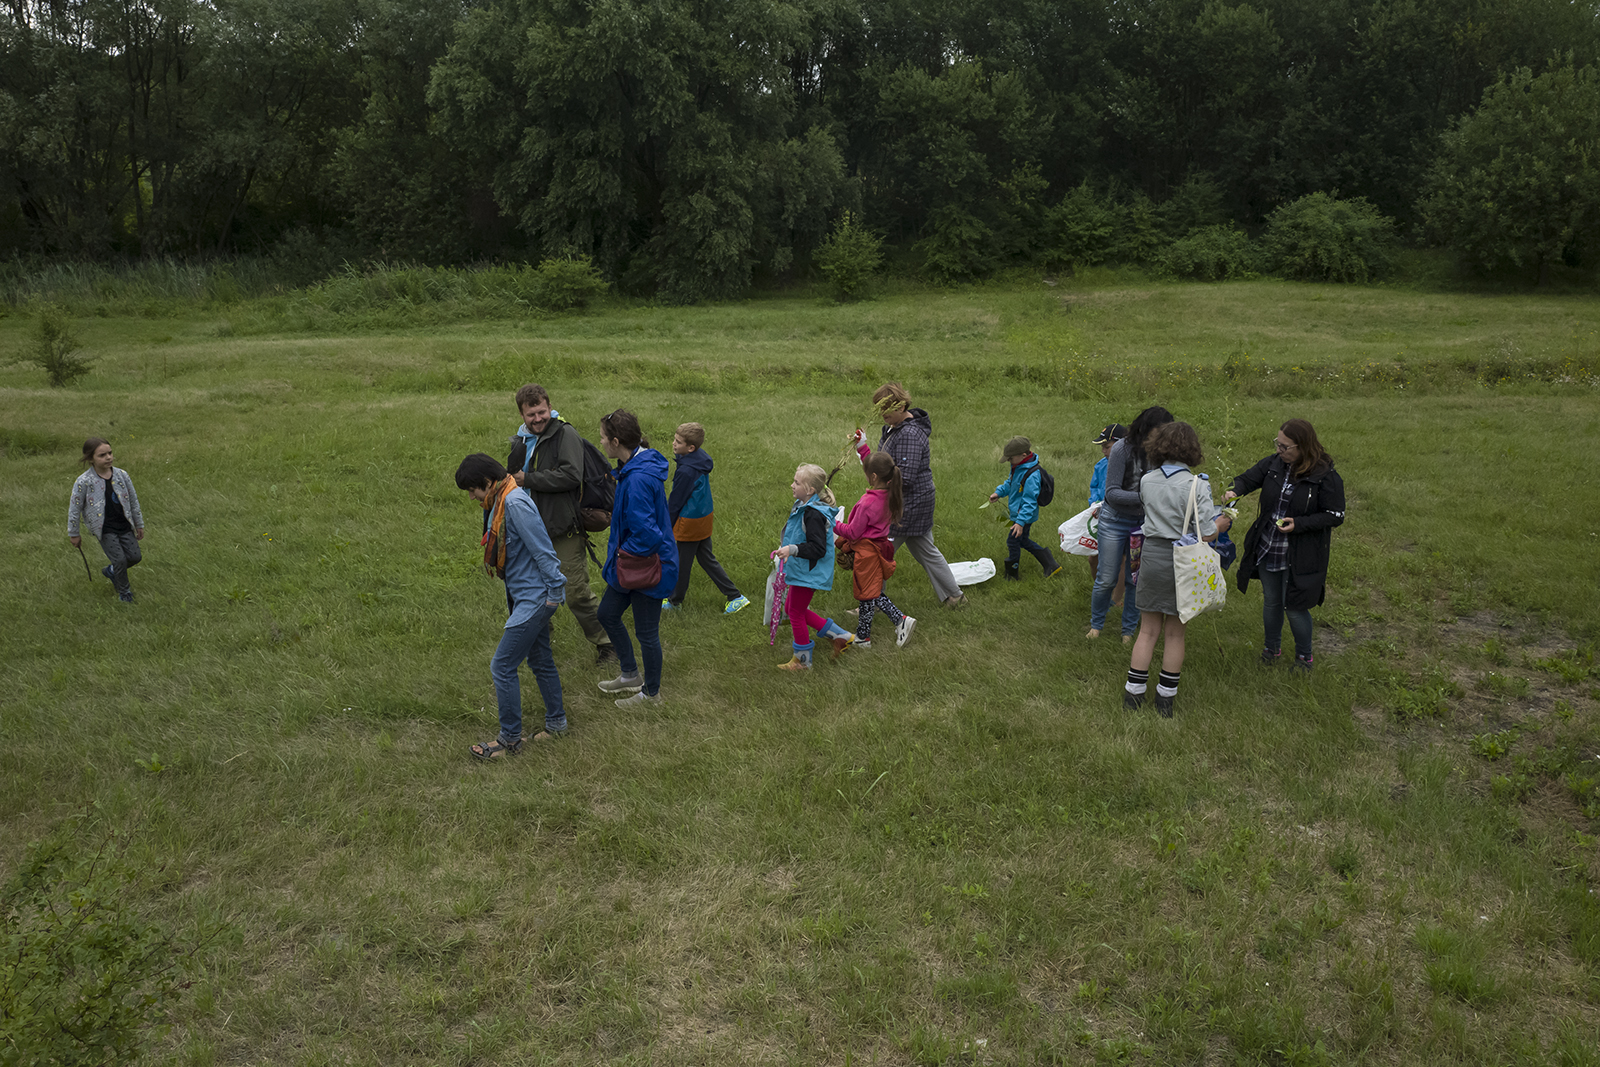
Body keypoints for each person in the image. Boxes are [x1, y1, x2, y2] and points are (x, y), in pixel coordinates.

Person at [456, 454, 569, 758]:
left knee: (502, 666)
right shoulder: (502, 499)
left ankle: (509, 741)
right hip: (527, 596)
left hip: (536, 599)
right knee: (541, 659)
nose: (472, 497)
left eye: (472, 490)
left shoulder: (514, 504)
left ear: (487, 482)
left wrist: (554, 593)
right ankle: (557, 723)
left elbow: (543, 550)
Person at [1122, 422, 1232, 717]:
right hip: (1183, 561)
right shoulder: (1198, 485)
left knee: (1147, 631)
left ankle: (1133, 696)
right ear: (1191, 449)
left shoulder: (1146, 480)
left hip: (1151, 556)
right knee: (1175, 634)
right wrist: (1222, 524)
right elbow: (1207, 533)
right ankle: (1165, 701)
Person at [505, 383, 616, 666]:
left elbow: (570, 475)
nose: (537, 419)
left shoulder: (565, 434)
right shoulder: (520, 439)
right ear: (522, 414)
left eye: (541, 412)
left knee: (575, 592)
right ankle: (538, 641)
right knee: (530, 590)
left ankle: (609, 644)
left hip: (562, 526)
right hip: (529, 528)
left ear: (549, 407)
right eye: (531, 414)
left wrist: (527, 479)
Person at [1225, 418, 1346, 673]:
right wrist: (1235, 490)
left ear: (1303, 447)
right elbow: (1247, 479)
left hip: (1301, 553)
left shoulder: (1326, 476)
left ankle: (1304, 658)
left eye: (1285, 447)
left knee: (1294, 606)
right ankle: (1271, 649)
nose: (1279, 450)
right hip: (1269, 545)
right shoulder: (1274, 464)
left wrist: (1299, 524)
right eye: (1277, 444)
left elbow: (1336, 515)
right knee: (1271, 601)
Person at [852, 382, 965, 608]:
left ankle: (870, 603)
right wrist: (863, 448)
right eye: (879, 409)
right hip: (905, 503)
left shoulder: (910, 435)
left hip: (908, 505)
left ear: (901, 406)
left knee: (876, 553)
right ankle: (955, 597)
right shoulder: (894, 429)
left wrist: (877, 497)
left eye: (886, 409)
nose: (882, 414)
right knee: (926, 550)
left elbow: (905, 477)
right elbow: (882, 467)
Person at [595, 410, 679, 706]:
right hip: (631, 564)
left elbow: (648, 534)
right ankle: (630, 673)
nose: (601, 442)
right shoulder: (632, 466)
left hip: (648, 566)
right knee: (606, 613)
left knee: (646, 632)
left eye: (604, 437)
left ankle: (651, 693)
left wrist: (622, 553)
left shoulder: (638, 479)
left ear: (617, 441)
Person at [1089, 406, 1174, 641]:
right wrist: (1147, 497)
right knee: (1106, 578)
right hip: (1114, 521)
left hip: (1144, 523)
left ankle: (1128, 631)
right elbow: (1112, 493)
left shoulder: (1163, 453)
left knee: (1135, 579)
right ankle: (1096, 625)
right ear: (1148, 430)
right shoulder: (1122, 449)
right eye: (1160, 432)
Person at [774, 464, 856, 669]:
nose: (792, 485)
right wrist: (786, 548)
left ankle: (802, 660)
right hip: (802, 568)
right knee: (791, 608)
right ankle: (840, 636)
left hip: (808, 572)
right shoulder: (802, 505)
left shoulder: (813, 514)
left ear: (810, 490)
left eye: (797, 482)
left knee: (794, 611)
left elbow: (817, 548)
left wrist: (791, 549)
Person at [662, 422, 749, 614]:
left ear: (690, 448)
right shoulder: (699, 459)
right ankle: (735, 596)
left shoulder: (686, 471)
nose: (673, 444)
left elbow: (676, 501)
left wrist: (666, 524)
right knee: (706, 558)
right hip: (703, 518)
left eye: (678, 442)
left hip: (689, 522)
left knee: (681, 563)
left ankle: (674, 602)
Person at [835, 452, 914, 650]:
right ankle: (863, 636)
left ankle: (900, 620)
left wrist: (833, 524)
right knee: (867, 594)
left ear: (873, 477)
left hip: (866, 552)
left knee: (871, 593)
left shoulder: (867, 503)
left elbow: (853, 532)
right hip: (879, 549)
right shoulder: (890, 495)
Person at [67, 437, 145, 603]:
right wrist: (74, 533)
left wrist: (139, 524)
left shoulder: (122, 475)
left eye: (110, 453)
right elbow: (75, 508)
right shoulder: (83, 482)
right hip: (105, 529)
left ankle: (111, 571)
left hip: (124, 525)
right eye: (102, 455)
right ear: (90, 459)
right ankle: (125, 593)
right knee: (119, 559)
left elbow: (133, 500)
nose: (108, 457)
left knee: (135, 556)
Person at [989, 435, 1061, 581]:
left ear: (1023, 455)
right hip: (1018, 514)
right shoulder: (1017, 466)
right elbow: (1010, 483)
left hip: (1024, 515)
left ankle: (1012, 575)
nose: (1009, 461)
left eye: (1010, 458)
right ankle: (1050, 563)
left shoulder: (1032, 475)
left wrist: (1020, 522)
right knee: (1022, 541)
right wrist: (999, 492)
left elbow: (1030, 501)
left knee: (1013, 541)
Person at [1086, 423, 1128, 600]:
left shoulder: (1130, 466)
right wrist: (1094, 504)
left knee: (1121, 560)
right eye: (1102, 446)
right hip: (1101, 516)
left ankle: (1118, 599)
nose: (1103, 451)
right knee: (1093, 558)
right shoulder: (1101, 465)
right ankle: (1103, 593)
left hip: (1121, 518)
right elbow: (1094, 487)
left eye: (1107, 446)